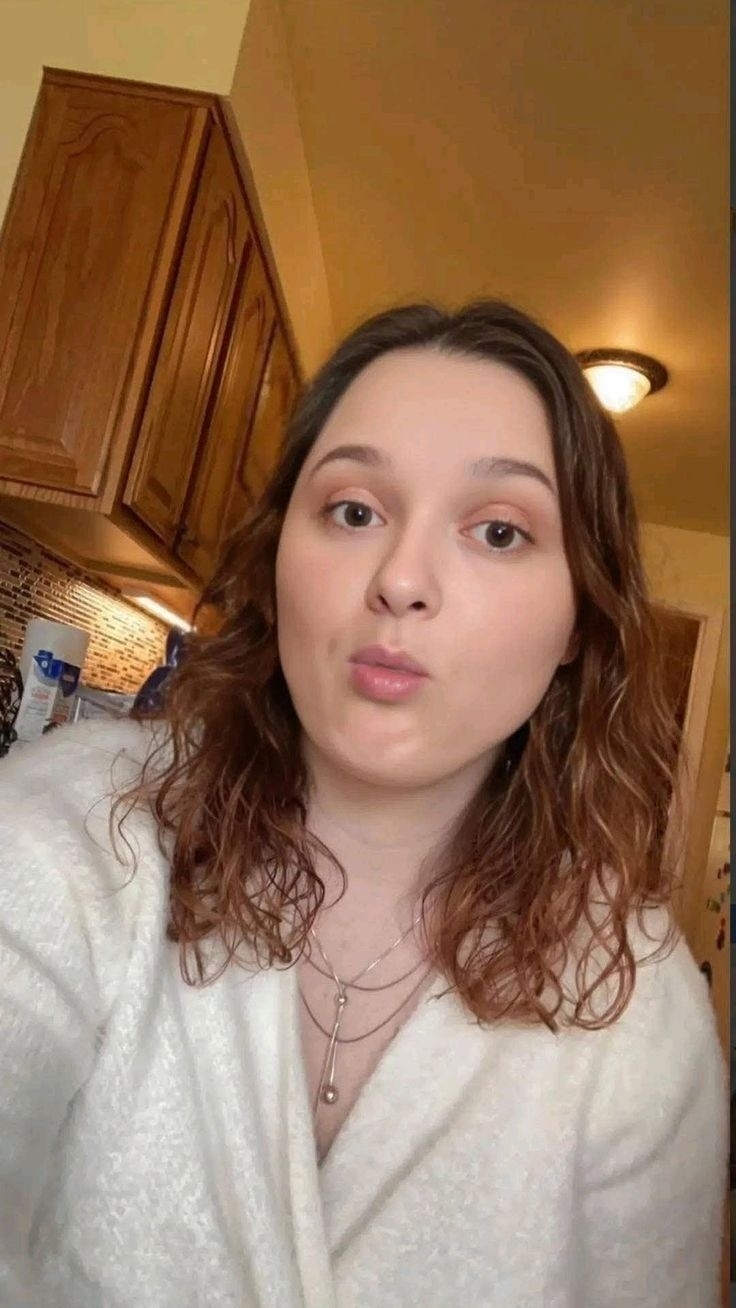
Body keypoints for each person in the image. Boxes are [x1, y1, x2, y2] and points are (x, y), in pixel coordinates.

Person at [0, 300, 727, 1308]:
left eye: (499, 530)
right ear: (277, 558)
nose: (401, 580)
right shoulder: (71, 829)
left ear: (576, 622)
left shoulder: (636, 1002)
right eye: (353, 511)